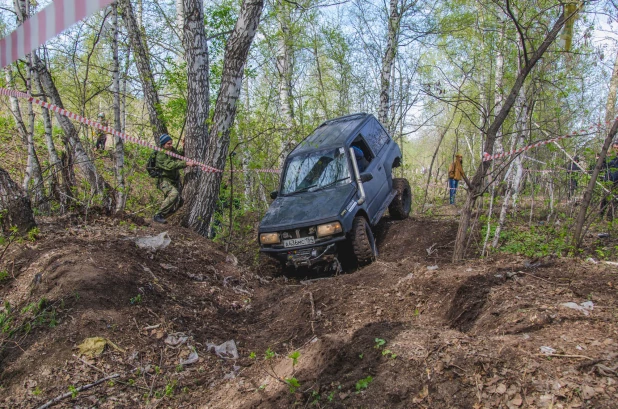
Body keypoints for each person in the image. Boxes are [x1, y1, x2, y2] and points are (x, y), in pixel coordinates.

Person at [153, 134, 196, 224]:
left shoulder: (171, 150)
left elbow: (179, 155)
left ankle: (164, 217)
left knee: (178, 201)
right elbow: (170, 165)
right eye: (168, 144)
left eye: (171, 143)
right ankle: (158, 215)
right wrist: (186, 164)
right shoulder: (160, 154)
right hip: (164, 180)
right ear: (163, 144)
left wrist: (184, 146)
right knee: (174, 194)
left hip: (173, 180)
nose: (171, 145)